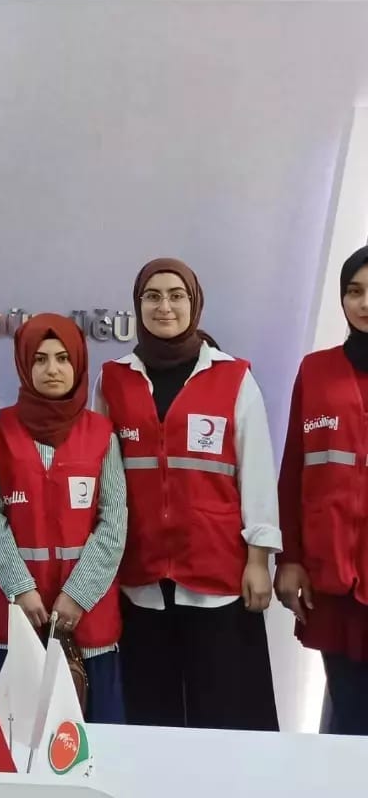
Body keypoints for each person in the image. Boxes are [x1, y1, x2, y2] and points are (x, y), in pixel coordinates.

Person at [93, 257, 281, 730]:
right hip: (141, 576)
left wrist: (259, 559)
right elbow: (98, 474)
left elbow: (256, 472)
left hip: (217, 577)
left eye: (176, 295)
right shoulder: (113, 378)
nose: (164, 306)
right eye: (152, 296)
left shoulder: (233, 377)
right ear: (137, 305)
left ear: (194, 303)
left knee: (225, 717)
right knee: (151, 717)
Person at [0, 313, 127, 722]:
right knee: (11, 744)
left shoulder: (101, 433)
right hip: (16, 616)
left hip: (87, 622)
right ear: (24, 365)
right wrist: (21, 589)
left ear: (78, 363)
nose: (52, 369)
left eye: (62, 358)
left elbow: (113, 521)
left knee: (92, 747)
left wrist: (77, 595)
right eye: (40, 359)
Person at [276, 245, 368, 735]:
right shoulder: (316, 370)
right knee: (349, 712)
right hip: (333, 576)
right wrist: (289, 559)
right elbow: (294, 470)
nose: (364, 303)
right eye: (354, 291)